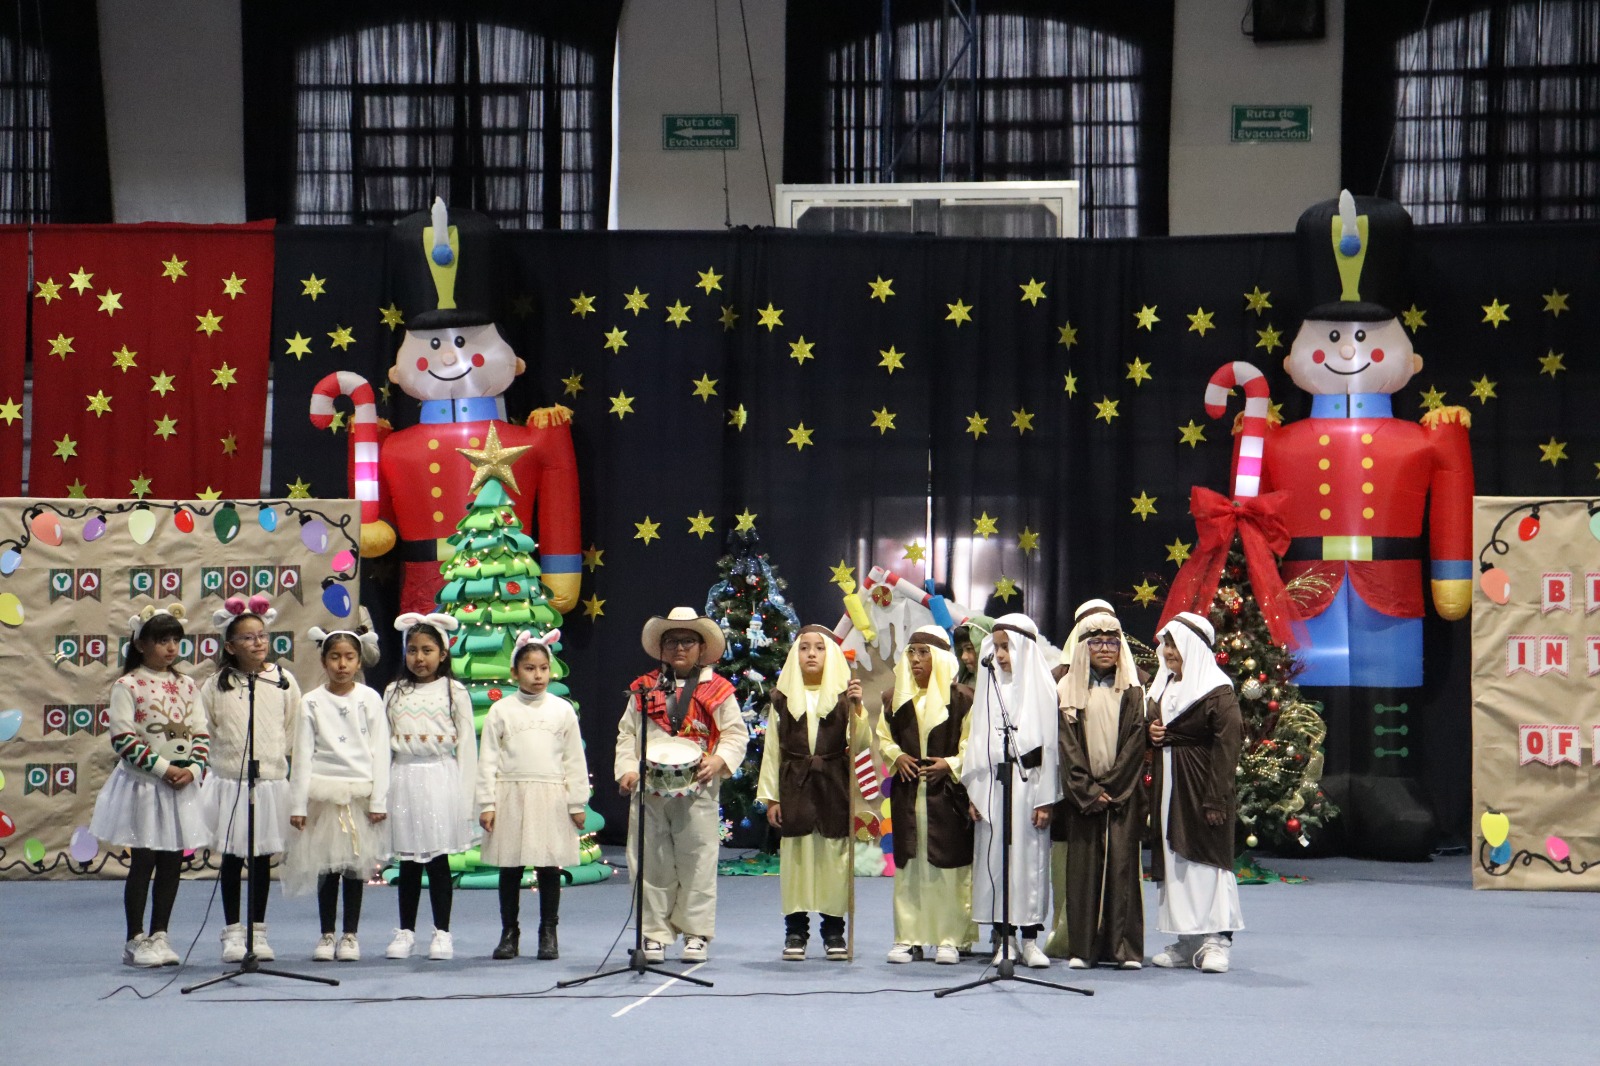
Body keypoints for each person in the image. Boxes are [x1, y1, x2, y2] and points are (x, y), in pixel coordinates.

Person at [614, 607, 748, 963]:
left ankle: (696, 933)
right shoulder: (643, 689)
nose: (679, 648)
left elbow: (735, 733)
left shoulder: (718, 690)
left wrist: (719, 760)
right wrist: (626, 770)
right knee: (650, 860)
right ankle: (653, 934)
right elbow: (627, 735)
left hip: (698, 789)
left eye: (687, 641)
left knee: (698, 860)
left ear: (702, 648)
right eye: (672, 641)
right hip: (649, 790)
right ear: (661, 647)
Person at [90, 605, 209, 968]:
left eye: (175, 640)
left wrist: (193, 768)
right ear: (141, 645)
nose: (171, 648)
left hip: (180, 785)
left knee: (173, 859)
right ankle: (135, 938)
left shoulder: (187, 684)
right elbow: (122, 738)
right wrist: (163, 768)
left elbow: (201, 732)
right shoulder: (127, 685)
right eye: (162, 640)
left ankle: (161, 934)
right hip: (144, 785)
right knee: (144, 859)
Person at [756, 625, 871, 961]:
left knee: (834, 858)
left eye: (818, 648)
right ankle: (796, 930)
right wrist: (772, 797)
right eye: (804, 647)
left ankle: (833, 931)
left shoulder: (842, 697)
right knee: (797, 860)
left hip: (833, 785)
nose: (810, 654)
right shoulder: (781, 699)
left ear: (829, 655)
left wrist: (858, 708)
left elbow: (860, 745)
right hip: (795, 785)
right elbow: (772, 751)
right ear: (796, 654)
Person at [198, 597, 301, 963]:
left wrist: (274, 758)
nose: (258, 643)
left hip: (269, 780)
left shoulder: (283, 681)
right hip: (230, 781)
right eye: (247, 638)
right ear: (230, 645)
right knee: (231, 857)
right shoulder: (215, 686)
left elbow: (292, 729)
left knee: (261, 858)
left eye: (262, 636)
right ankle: (232, 933)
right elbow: (206, 728)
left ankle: (258, 930)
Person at [478, 631, 588, 961]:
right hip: (511, 794)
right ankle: (509, 932)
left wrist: (577, 801)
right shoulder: (501, 711)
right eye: (529, 668)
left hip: (550, 796)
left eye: (543, 668)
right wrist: (487, 803)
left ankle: (548, 931)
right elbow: (488, 759)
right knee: (510, 866)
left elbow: (573, 758)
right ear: (515, 673)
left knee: (547, 866)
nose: (537, 675)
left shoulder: (562, 710)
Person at [1147, 612, 1245, 974]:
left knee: (1208, 860)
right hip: (1168, 786)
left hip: (1202, 785)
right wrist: (1152, 732)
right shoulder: (1164, 684)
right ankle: (1186, 938)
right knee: (1177, 861)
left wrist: (1215, 797)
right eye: (1166, 644)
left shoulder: (1218, 692)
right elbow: (1152, 724)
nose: (1167, 651)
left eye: (1174, 644)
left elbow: (1228, 746)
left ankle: (1217, 941)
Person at [961, 614, 1061, 969]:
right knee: (998, 861)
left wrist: (1047, 797)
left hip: (1031, 787)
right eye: (998, 647)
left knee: (1030, 864)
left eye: (1007, 647)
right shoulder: (990, 687)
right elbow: (976, 741)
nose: (1000, 655)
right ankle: (1004, 939)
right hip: (994, 787)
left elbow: (1052, 749)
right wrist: (975, 793)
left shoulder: (1044, 688)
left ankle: (1030, 938)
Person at [1054, 602, 1148, 969]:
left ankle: (1124, 949)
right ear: (1083, 647)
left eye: (1112, 641)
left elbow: (1135, 743)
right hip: (1085, 797)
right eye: (1097, 642)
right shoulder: (1067, 688)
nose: (1106, 648)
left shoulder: (1132, 688)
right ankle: (1083, 949)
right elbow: (1067, 747)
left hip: (1121, 796)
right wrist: (1089, 790)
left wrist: (1113, 787)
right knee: (1083, 874)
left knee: (1123, 870)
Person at [286, 628, 389, 962]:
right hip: (324, 793)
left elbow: (381, 751)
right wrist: (298, 804)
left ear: (359, 661)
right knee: (326, 867)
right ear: (323, 660)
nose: (342, 665)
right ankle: (326, 933)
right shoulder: (312, 701)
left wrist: (378, 800)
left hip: (358, 795)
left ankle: (350, 935)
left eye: (349, 657)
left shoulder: (370, 699)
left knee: (354, 867)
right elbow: (302, 755)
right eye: (335, 657)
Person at [877, 625, 974, 965]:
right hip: (907, 795)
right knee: (910, 867)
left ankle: (949, 937)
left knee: (948, 867)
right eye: (912, 652)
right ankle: (908, 937)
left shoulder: (963, 699)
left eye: (923, 653)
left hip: (947, 798)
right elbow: (883, 739)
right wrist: (896, 756)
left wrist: (949, 764)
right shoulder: (894, 700)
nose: (916, 660)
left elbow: (971, 746)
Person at [384, 612, 477, 961]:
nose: (419, 658)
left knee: (438, 861)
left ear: (443, 653)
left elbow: (467, 745)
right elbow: (382, 744)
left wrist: (469, 798)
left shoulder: (455, 691)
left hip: (441, 777)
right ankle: (406, 931)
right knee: (408, 861)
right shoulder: (393, 691)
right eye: (412, 650)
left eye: (427, 650)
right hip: (404, 778)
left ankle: (442, 932)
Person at [952, 616, 994, 689]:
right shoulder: (964, 684)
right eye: (961, 650)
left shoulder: (1001, 686)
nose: (963, 657)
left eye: (969, 649)